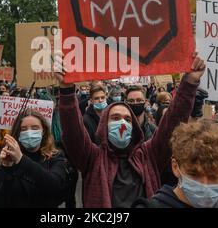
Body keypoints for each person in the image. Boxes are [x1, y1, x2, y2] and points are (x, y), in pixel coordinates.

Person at [55, 52, 205, 208]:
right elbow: (73, 133)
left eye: (127, 119)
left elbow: (172, 124)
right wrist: (66, 90)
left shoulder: (149, 155)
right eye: (115, 118)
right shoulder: (93, 158)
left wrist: (189, 82)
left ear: (133, 127)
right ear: (104, 126)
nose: (121, 123)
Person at [0, 109, 69, 208]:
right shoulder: (9, 156)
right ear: (18, 133)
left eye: (35, 128)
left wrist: (22, 161)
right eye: (23, 129)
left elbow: (55, 186)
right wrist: (6, 168)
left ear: (43, 131)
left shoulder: (56, 156)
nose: (29, 132)